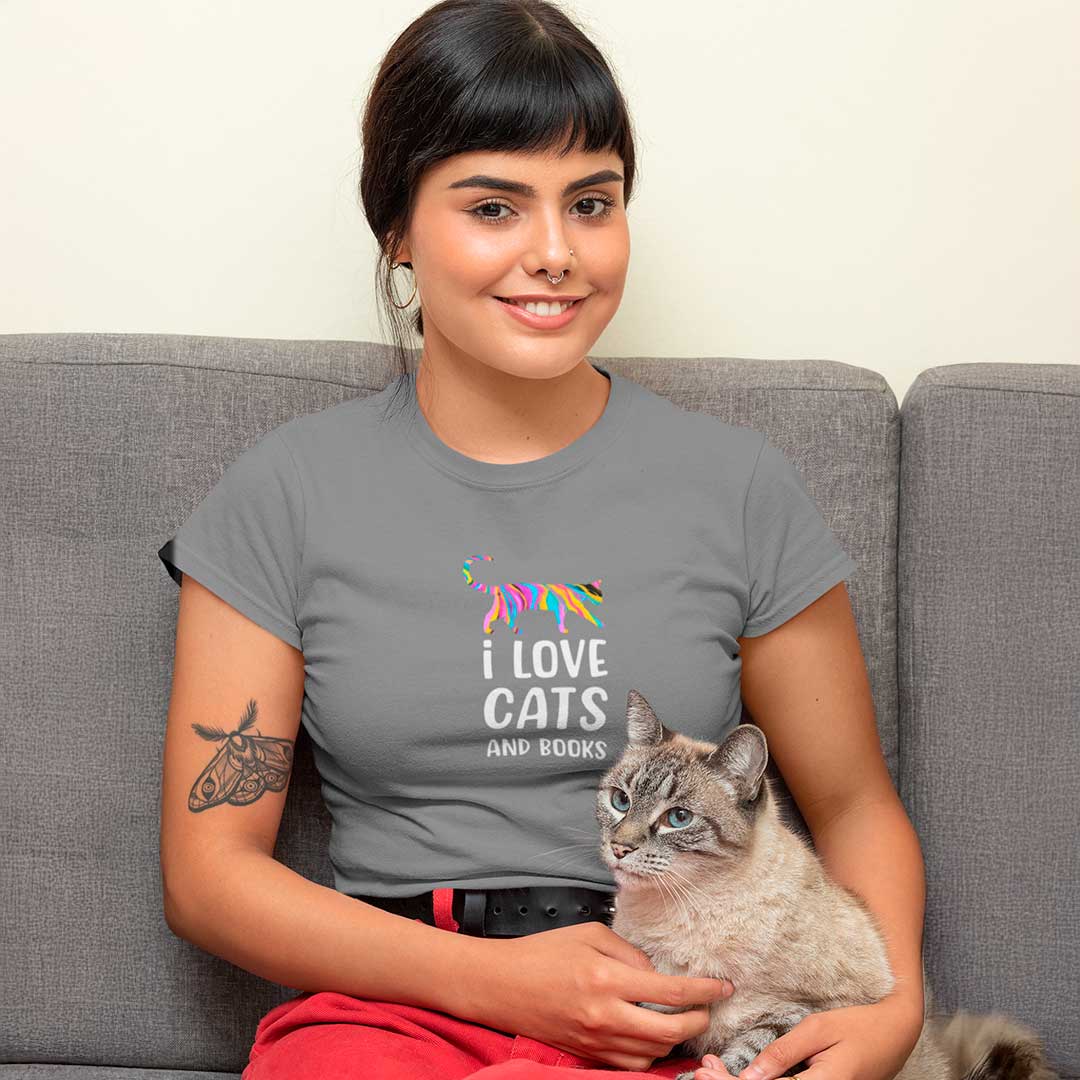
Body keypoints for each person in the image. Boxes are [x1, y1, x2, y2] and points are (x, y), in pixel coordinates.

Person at [157, 2, 927, 1079]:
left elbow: (854, 806)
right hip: (398, 1014)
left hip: (685, 1014)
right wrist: (494, 983)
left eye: (592, 203)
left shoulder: (738, 486)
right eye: (494, 206)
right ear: (397, 230)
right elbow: (209, 873)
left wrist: (892, 1011)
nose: (556, 253)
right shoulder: (285, 494)